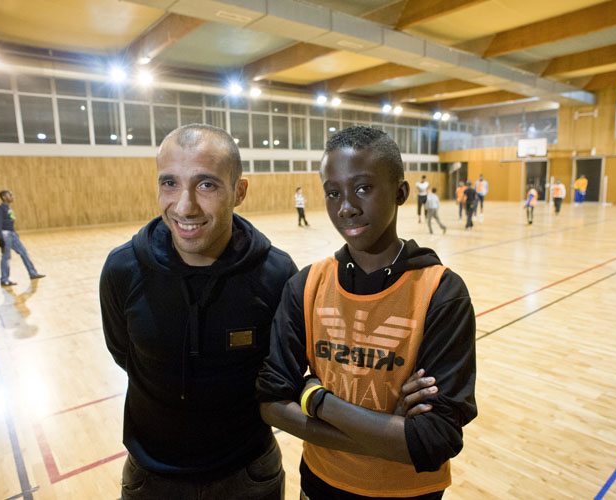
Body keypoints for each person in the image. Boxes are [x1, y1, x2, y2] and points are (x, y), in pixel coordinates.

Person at [256, 126, 477, 500]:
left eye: (363, 188)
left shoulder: (442, 292)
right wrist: (392, 433)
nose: (346, 207)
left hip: (408, 492)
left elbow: (436, 439)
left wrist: (315, 400)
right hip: (320, 482)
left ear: (401, 192)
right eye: (332, 193)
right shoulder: (306, 285)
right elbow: (270, 404)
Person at [99, 124, 298, 500]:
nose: (184, 206)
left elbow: (283, 375)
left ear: (239, 192)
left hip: (248, 476)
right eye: (169, 183)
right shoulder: (122, 270)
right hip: (151, 478)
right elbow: (123, 353)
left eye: (206, 185)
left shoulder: (276, 275)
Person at [0, 190, 45, 287]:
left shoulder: (8, 207)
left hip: (12, 234)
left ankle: (32, 273)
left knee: (24, 252)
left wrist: (15, 234)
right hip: (5, 235)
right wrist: (0, 238)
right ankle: (4, 279)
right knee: (6, 257)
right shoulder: (0, 209)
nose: (12, 197)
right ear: (4, 197)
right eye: (10, 195)